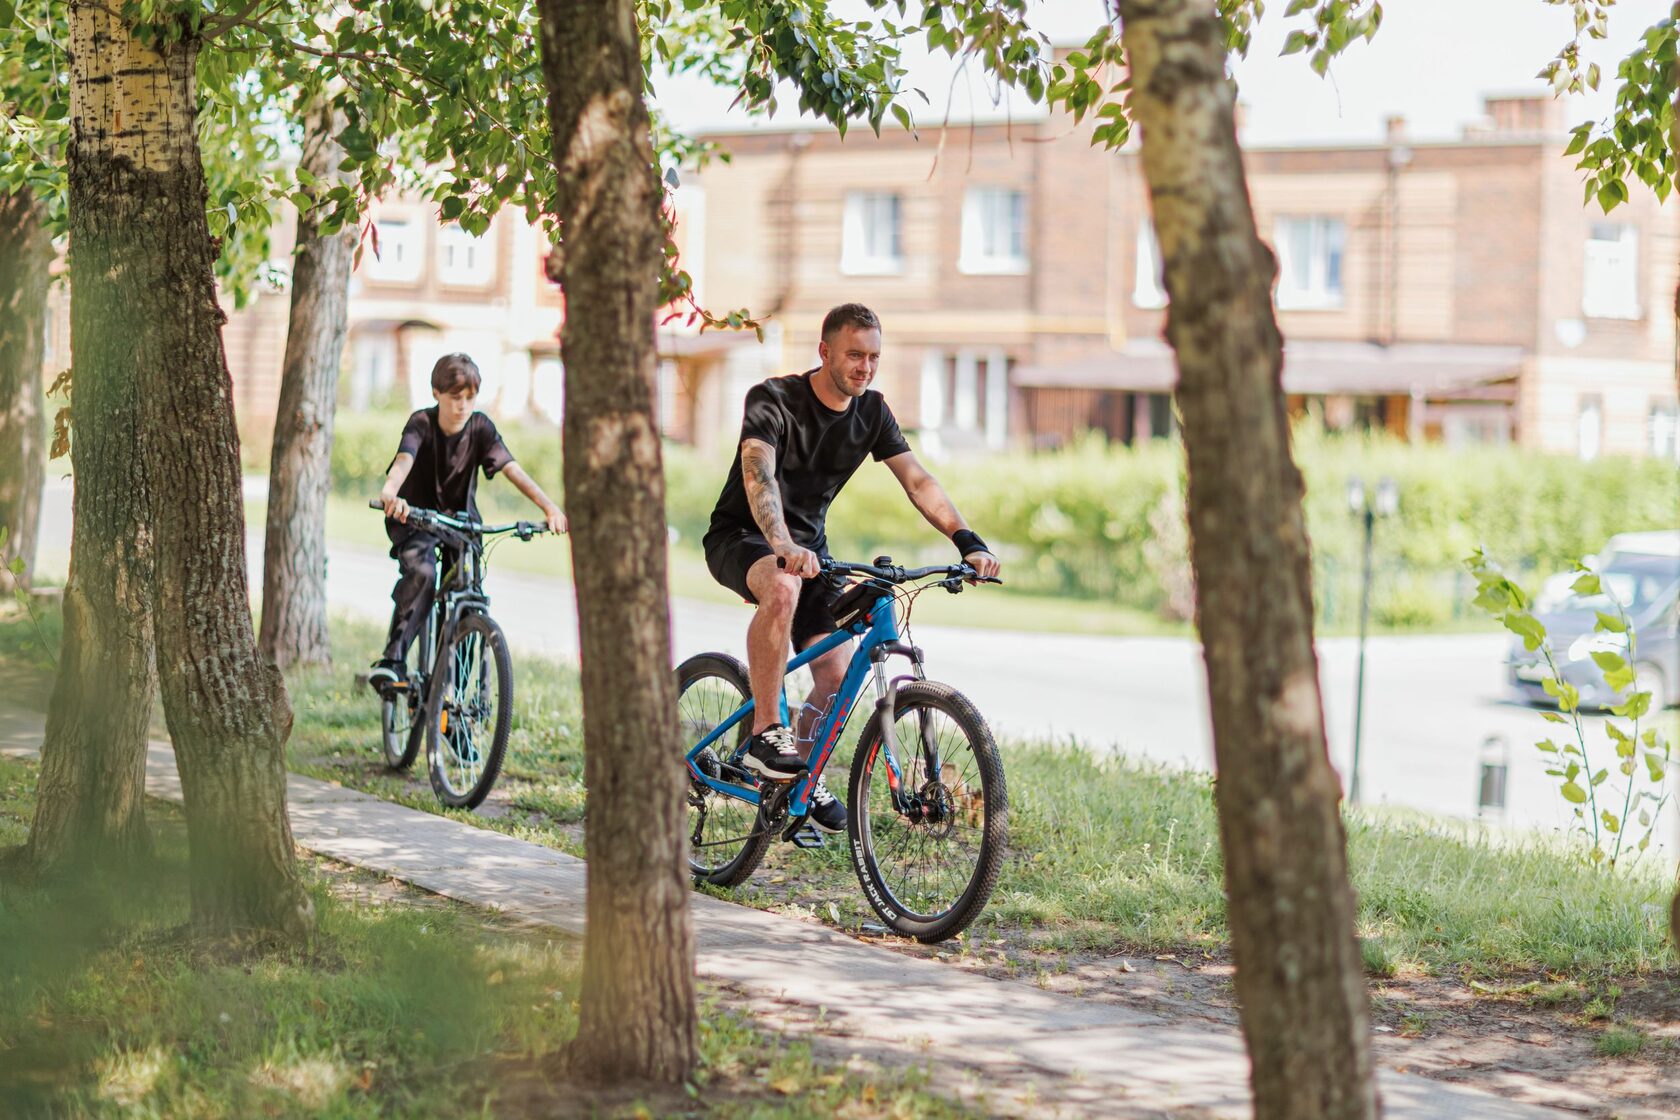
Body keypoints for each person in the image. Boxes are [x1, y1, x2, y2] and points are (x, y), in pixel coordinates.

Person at [703, 303, 1001, 834]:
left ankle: (798, 777)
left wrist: (967, 540)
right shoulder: (774, 398)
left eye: (874, 357)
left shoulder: (872, 412)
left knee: (837, 674)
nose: (865, 367)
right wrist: (782, 544)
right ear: (825, 352)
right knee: (782, 585)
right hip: (743, 537)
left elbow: (917, 481)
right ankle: (765, 734)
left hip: (812, 553)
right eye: (854, 355)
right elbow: (758, 474)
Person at [367, 353, 566, 690]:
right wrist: (390, 493)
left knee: (469, 591)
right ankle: (393, 660)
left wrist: (550, 507)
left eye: (470, 398)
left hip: (461, 525)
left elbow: (511, 469)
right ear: (436, 393)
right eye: (455, 397)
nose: (463, 406)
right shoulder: (421, 423)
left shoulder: (480, 427)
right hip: (416, 518)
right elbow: (404, 459)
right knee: (422, 574)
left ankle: (455, 693)